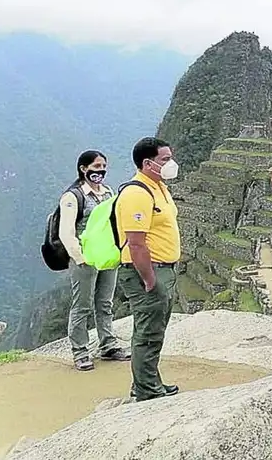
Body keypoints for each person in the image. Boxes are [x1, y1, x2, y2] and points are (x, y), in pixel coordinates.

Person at [115, 137, 182, 402]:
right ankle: (146, 390)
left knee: (155, 330)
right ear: (148, 163)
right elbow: (136, 243)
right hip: (146, 270)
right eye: (165, 159)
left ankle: (149, 381)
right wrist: (150, 280)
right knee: (147, 333)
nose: (171, 164)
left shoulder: (158, 188)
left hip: (164, 268)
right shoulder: (136, 193)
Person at [59, 150, 130, 371]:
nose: (100, 171)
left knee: (105, 302)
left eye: (103, 166)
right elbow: (66, 232)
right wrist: (79, 258)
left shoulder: (108, 193)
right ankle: (80, 352)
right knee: (82, 305)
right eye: (97, 166)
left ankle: (108, 345)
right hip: (85, 259)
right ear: (83, 168)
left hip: (107, 257)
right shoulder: (73, 197)